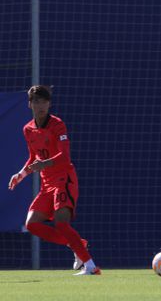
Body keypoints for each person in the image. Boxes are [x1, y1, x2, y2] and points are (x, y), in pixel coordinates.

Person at [8, 85, 101, 276]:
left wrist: (46, 163)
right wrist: (21, 175)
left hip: (64, 179)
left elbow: (65, 156)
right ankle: (76, 243)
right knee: (32, 223)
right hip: (46, 184)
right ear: (29, 104)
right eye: (36, 101)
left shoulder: (58, 125)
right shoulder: (28, 129)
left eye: (43, 101)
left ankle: (91, 266)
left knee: (61, 223)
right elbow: (33, 158)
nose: (40, 105)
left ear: (49, 104)